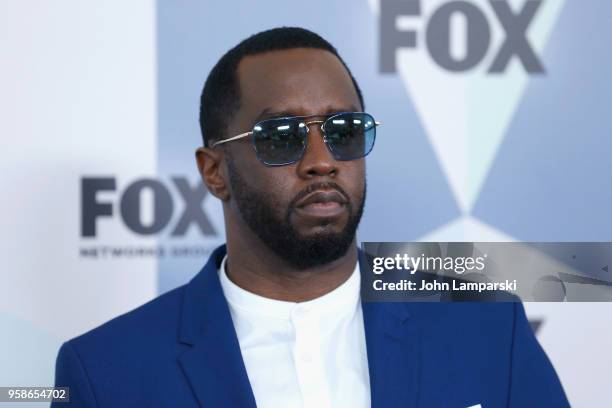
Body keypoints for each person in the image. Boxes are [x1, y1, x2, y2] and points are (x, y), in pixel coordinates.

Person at [53, 27, 569, 407]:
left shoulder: (483, 326)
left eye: (343, 131)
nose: (322, 160)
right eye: (281, 137)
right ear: (214, 172)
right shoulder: (104, 373)